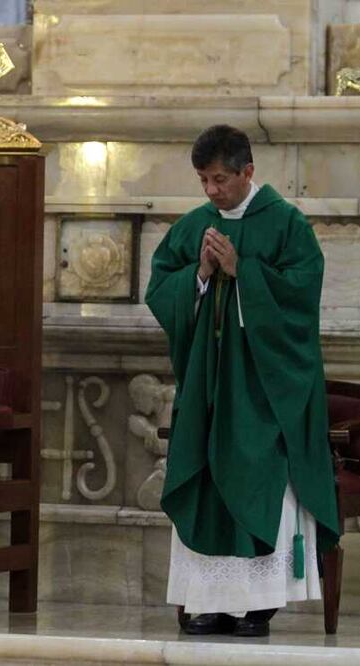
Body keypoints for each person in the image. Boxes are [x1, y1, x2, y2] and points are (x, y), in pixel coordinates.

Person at [146, 125, 339, 637]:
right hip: (210, 390)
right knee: (207, 478)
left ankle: (258, 604)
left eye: (220, 179)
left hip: (264, 391)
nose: (211, 190)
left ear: (247, 172)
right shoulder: (195, 227)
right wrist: (199, 275)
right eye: (203, 180)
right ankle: (210, 600)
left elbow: (301, 298)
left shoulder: (286, 224)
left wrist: (243, 271)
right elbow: (161, 289)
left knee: (262, 475)